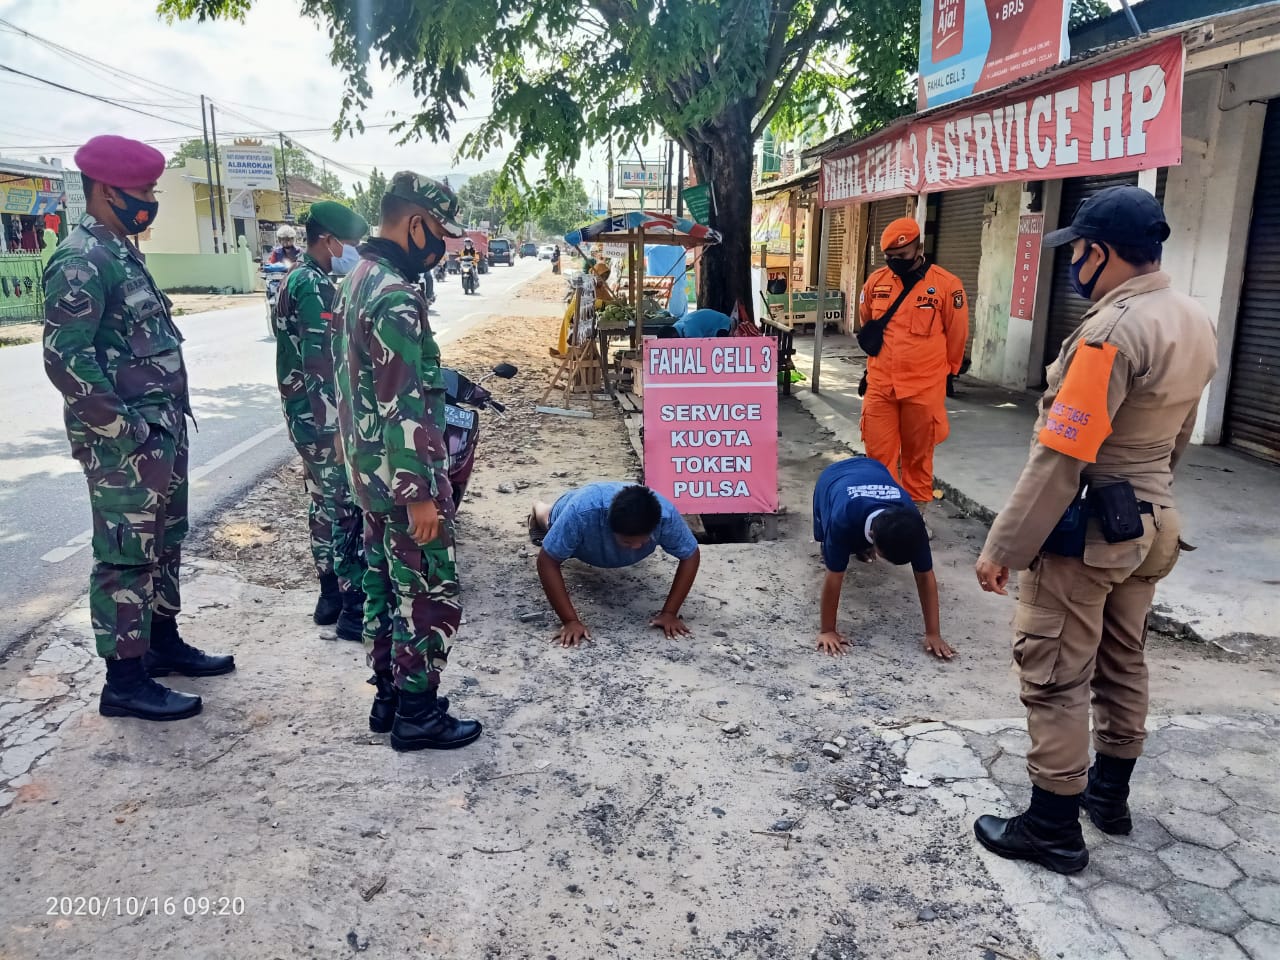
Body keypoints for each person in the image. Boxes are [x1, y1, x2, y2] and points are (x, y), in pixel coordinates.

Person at [972, 185, 1217, 874]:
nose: (1074, 262)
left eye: (1078, 249)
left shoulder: (1111, 333)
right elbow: (1179, 434)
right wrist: (1151, 496)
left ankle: (1051, 827)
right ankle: (1109, 798)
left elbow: (1063, 454)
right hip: (1153, 520)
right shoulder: (1193, 317)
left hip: (1092, 529)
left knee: (1053, 671)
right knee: (1123, 658)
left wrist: (1004, 547)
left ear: (1101, 252)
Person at [43, 135, 234, 722]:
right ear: (105, 190)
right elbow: (66, 358)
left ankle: (160, 643)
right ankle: (124, 680)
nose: (151, 201)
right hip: (124, 445)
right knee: (126, 555)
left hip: (159, 435)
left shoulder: (120, 251)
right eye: (144, 191)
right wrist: (124, 431)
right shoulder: (81, 259)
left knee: (164, 543)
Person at [332, 171, 481, 752]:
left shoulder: (356, 279)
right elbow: (403, 399)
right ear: (416, 223)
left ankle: (389, 696)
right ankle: (417, 713)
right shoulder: (394, 293)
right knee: (427, 591)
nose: (443, 249)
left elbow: (353, 388)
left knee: (384, 582)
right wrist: (420, 491)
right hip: (401, 475)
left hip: (367, 472)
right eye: (440, 235)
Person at [274, 200, 368, 637]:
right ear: (328, 240)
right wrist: (335, 429)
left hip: (303, 416)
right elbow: (321, 364)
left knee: (322, 505)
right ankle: (351, 609)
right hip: (321, 420)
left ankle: (329, 596)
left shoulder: (296, 279)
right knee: (345, 508)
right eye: (348, 243)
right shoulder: (311, 286)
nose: (351, 251)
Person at [858, 217, 969, 504]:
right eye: (890, 257)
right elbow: (867, 322)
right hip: (881, 385)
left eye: (902, 256)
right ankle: (883, 515)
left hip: (923, 388)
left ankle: (916, 516)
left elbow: (957, 334)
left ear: (919, 248)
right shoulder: (876, 282)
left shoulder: (947, 286)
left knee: (917, 459)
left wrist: (948, 374)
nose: (896, 262)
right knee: (878, 457)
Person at [813, 456, 953, 660]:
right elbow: (834, 577)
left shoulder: (912, 522)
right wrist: (827, 630)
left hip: (873, 467)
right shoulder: (843, 518)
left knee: (850, 545)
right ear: (872, 537)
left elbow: (924, 575)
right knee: (832, 551)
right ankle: (853, 547)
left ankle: (860, 548)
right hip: (832, 478)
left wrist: (933, 634)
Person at [529, 483, 701, 647]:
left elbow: (691, 555)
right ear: (608, 528)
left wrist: (670, 613)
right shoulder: (580, 514)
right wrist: (570, 621)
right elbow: (547, 561)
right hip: (574, 507)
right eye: (627, 542)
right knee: (548, 521)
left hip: (612, 503)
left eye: (643, 541)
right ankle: (537, 508)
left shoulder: (666, 516)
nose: (635, 547)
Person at [655, 308, 733, 339]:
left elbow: (699, 347)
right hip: (709, 321)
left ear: (673, 335)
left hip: (722, 323)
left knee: (721, 343)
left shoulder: (690, 331)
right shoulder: (677, 326)